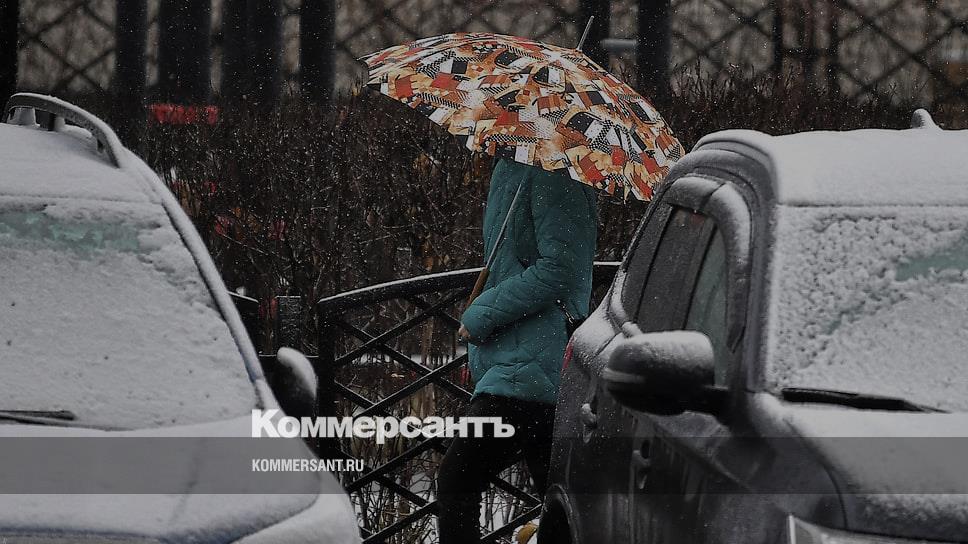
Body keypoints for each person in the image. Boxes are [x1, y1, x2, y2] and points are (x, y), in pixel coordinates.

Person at [436, 157, 598, 543]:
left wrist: (482, 313)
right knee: (561, 504)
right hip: (523, 363)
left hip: (531, 367)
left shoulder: (554, 174)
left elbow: (560, 269)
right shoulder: (518, 165)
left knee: (457, 481)